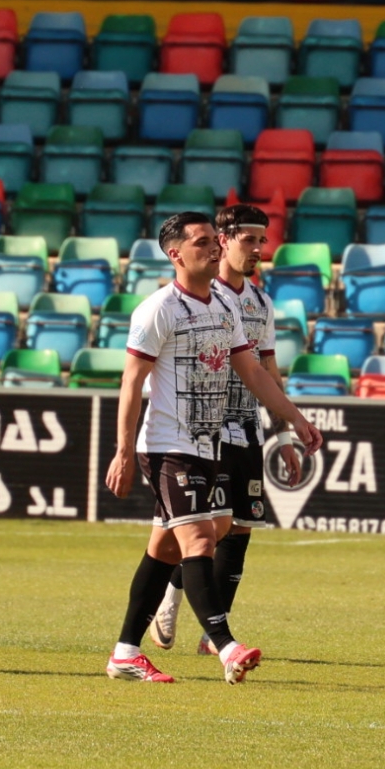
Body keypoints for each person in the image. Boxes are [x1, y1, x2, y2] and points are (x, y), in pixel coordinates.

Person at [104, 212, 321, 684]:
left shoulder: (225, 306)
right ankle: (226, 647)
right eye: (201, 242)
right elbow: (131, 382)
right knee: (200, 539)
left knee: (172, 547)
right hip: (167, 445)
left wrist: (295, 420)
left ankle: (125, 653)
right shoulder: (157, 309)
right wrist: (123, 451)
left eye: (212, 241)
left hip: (211, 444)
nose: (213, 248)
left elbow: (254, 372)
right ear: (175, 254)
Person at [147, 204, 303, 658]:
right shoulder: (200, 294)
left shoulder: (260, 303)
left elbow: (268, 370)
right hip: (204, 431)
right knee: (209, 528)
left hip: (247, 427)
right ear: (224, 240)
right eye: (248, 239)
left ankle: (212, 636)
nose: (258, 249)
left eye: (262, 240)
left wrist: (284, 436)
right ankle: (172, 598)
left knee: (241, 528)